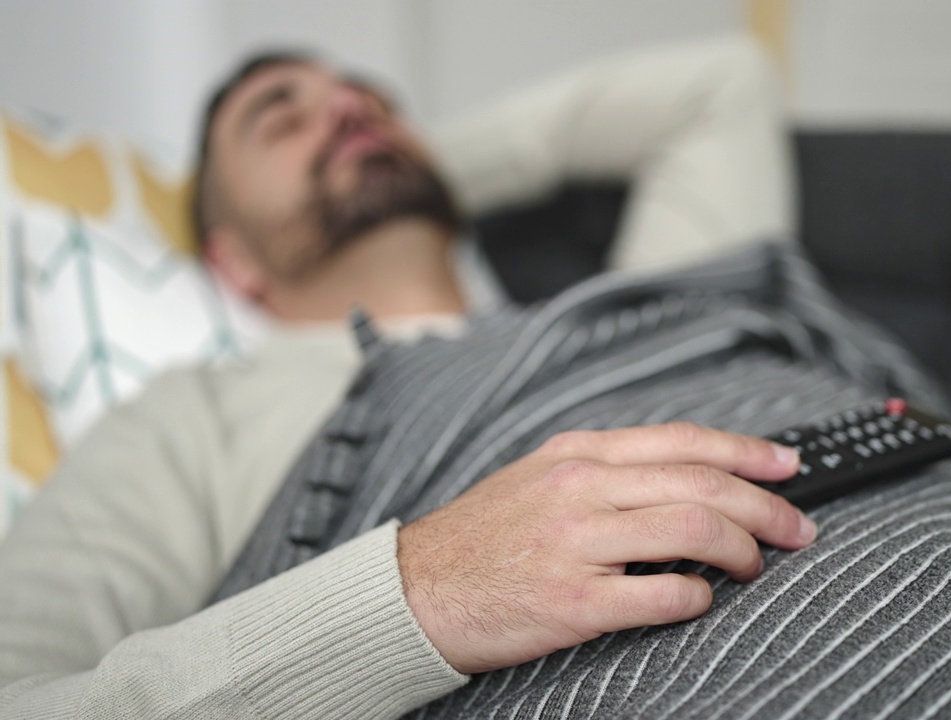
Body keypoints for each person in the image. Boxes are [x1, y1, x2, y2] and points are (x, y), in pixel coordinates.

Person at [0, 36, 809, 716]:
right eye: (282, 119)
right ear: (231, 260)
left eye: (373, 102)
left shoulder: (635, 306)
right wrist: (421, 592)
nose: (348, 108)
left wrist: (399, 167)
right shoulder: (190, 417)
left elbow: (722, 84)